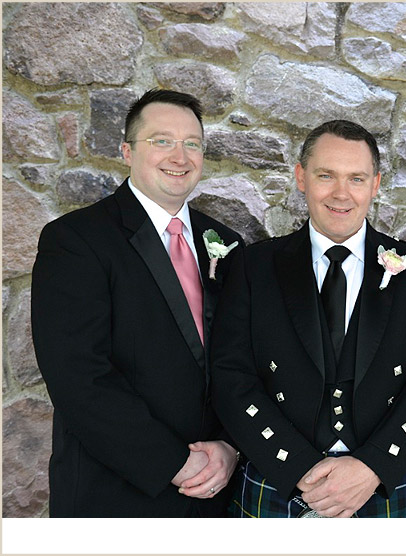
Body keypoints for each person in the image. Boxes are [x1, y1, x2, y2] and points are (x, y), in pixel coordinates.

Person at [210, 119, 406, 518]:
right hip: (278, 474)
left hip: (379, 484)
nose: (341, 193)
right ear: (301, 178)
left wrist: (375, 465)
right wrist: (297, 467)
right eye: (326, 176)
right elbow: (230, 374)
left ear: (375, 184)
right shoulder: (255, 266)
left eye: (356, 179)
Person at [31, 89, 243, 517]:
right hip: (116, 492)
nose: (179, 156)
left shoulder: (227, 244)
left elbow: (244, 358)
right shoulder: (76, 240)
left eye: (192, 144)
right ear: (127, 151)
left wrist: (231, 446)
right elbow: (77, 375)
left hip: (216, 491)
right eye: (161, 141)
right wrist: (174, 463)